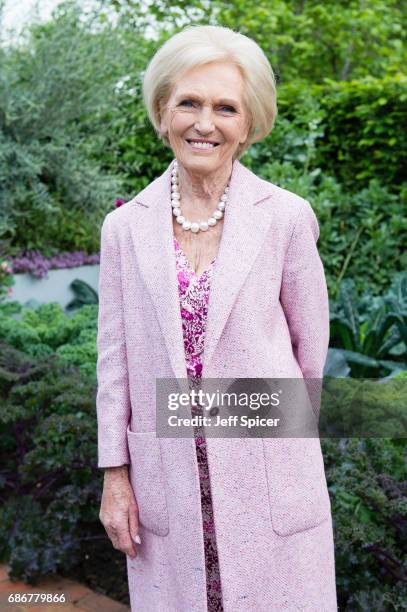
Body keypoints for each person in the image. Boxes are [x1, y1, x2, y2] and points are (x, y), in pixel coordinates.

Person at [96, 24, 337, 612]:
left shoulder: (284, 218)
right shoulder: (125, 229)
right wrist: (115, 476)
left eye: (225, 107)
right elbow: (115, 363)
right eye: (189, 103)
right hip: (168, 483)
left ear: (248, 124)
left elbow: (309, 357)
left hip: (268, 478)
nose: (205, 123)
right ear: (162, 112)